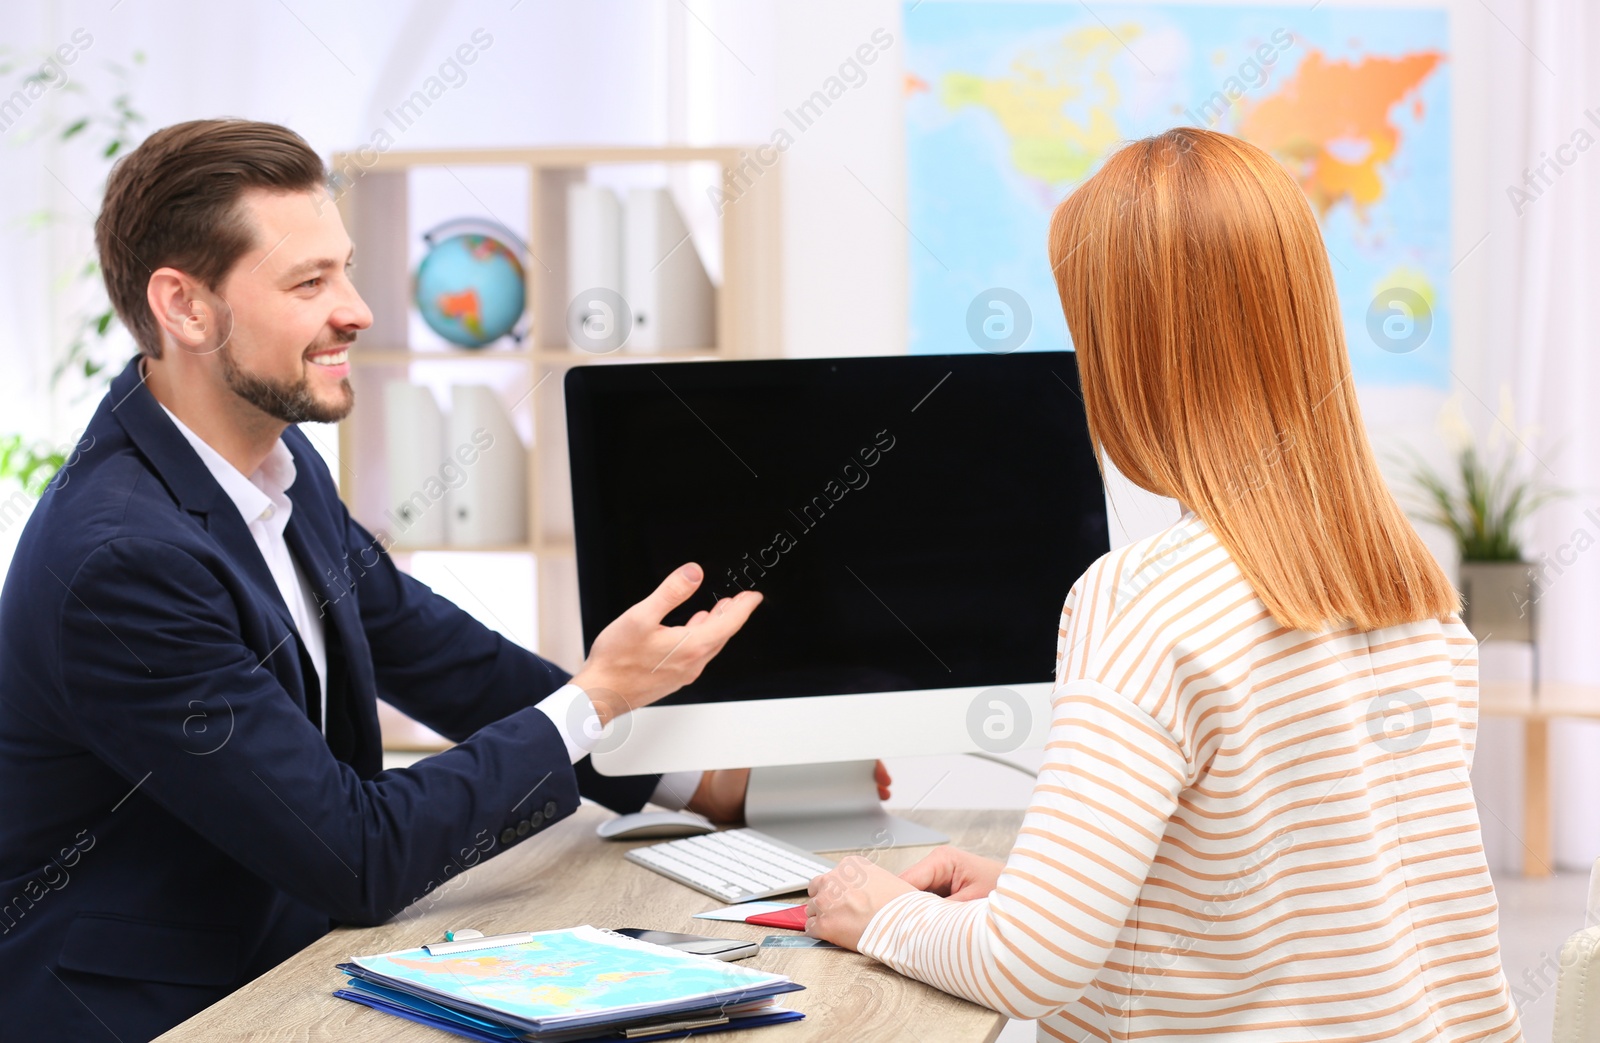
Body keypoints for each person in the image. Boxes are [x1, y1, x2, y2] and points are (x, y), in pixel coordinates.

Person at [0, 119, 768, 1042]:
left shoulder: (272, 468)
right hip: (155, 1012)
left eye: (347, 269)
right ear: (187, 309)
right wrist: (597, 697)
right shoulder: (123, 560)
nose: (358, 309)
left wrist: (693, 777)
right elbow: (354, 852)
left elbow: (438, 655)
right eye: (309, 282)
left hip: (280, 970)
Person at [806, 128, 1524, 1042]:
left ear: (1137, 360)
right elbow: (1304, 907)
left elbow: (1032, 967)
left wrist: (883, 915)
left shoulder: (1141, 601)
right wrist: (1032, 892)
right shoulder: (1410, 591)